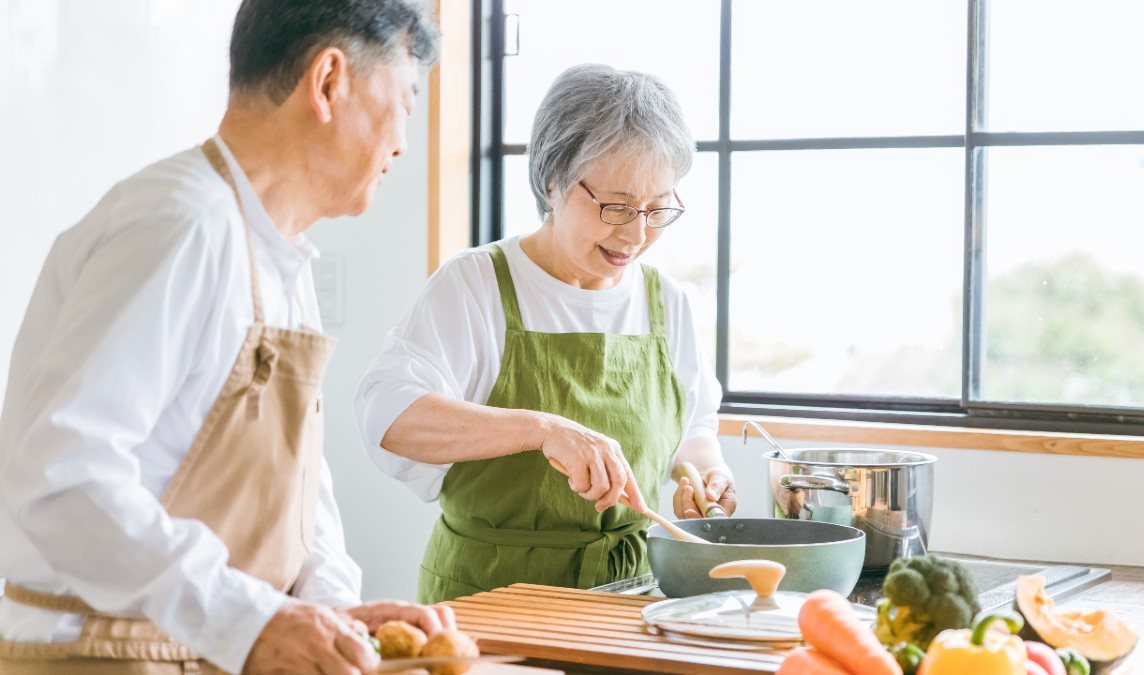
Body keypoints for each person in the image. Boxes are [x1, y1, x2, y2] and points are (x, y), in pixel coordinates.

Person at [0, 1, 451, 673]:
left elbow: (298, 484)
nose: (404, 143)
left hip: (202, 649)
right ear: (329, 81)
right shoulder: (180, 225)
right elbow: (62, 478)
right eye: (406, 101)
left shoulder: (283, 255)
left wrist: (325, 610)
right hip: (107, 655)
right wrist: (253, 617)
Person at [355, 64, 737, 604]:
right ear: (552, 180)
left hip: (631, 598)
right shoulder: (475, 285)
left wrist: (705, 472)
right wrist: (543, 429)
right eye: (616, 206)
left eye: (656, 210)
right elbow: (388, 417)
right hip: (489, 594)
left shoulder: (667, 302)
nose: (635, 234)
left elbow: (693, 423)